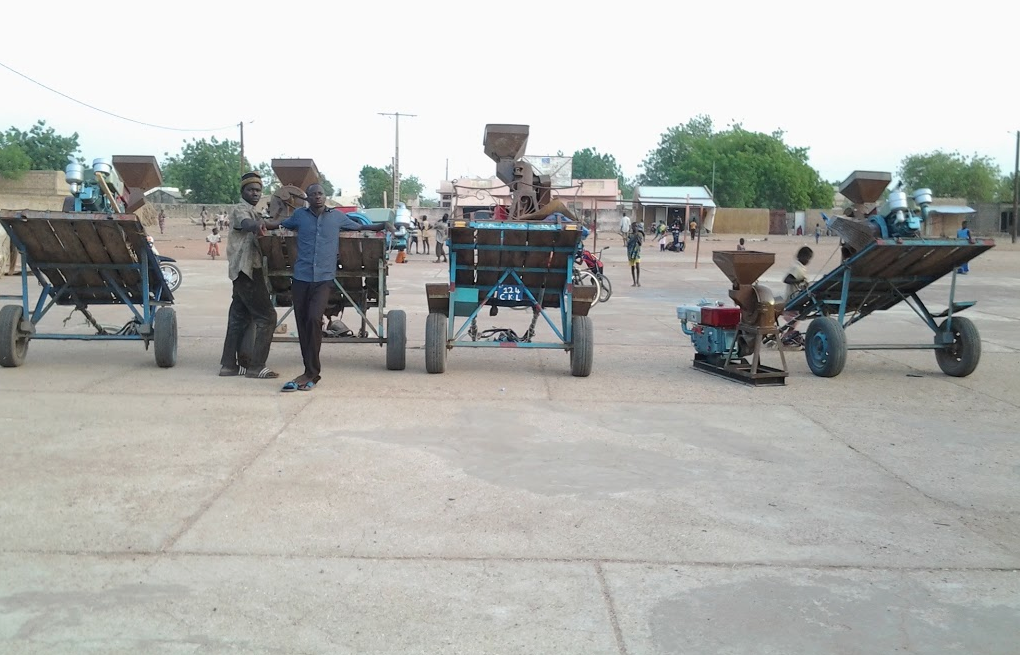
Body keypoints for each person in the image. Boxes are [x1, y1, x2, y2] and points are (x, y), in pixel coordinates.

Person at [261, 183, 394, 392]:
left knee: (314, 318)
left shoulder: (337, 217)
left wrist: (382, 225)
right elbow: (279, 224)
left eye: (320, 194)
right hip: (301, 278)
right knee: (303, 324)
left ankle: (312, 372)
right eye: (313, 195)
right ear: (308, 198)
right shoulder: (300, 217)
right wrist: (260, 225)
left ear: (325, 196)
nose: (317, 197)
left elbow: (358, 227)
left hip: (323, 279)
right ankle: (309, 371)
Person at [219, 172, 279, 380]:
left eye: (258, 191)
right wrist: (257, 225)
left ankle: (228, 365)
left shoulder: (254, 212)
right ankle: (256, 366)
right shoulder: (240, 209)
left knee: (238, 317)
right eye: (251, 190)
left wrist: (284, 222)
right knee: (267, 317)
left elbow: (266, 223)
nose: (255, 193)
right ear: (242, 191)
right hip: (247, 270)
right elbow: (246, 224)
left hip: (240, 271)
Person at [778, 246, 814, 348]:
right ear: (801, 256)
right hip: (792, 298)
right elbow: (786, 280)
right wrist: (800, 281)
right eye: (807, 258)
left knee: (795, 320)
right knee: (793, 320)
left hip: (797, 297)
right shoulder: (796, 267)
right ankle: (785, 338)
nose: (808, 261)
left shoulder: (801, 268)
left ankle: (787, 337)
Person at [626, 222, 644, 287]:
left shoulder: (639, 234)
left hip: (637, 253)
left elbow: (640, 244)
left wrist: (637, 237)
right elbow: (627, 244)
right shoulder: (630, 235)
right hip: (631, 253)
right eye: (634, 226)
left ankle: (638, 281)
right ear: (632, 227)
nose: (635, 228)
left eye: (636, 226)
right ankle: (634, 282)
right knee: (632, 267)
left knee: (638, 266)